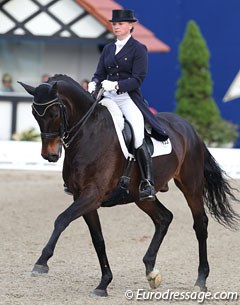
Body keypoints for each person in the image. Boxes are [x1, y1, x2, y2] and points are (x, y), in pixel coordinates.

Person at [88, 9, 168, 201]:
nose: (116, 26)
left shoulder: (138, 49)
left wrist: (116, 85)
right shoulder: (108, 48)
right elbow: (100, 73)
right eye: (114, 24)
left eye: (120, 24)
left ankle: (147, 182)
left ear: (131, 25)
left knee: (138, 135)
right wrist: (94, 81)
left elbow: (138, 79)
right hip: (106, 96)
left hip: (127, 98)